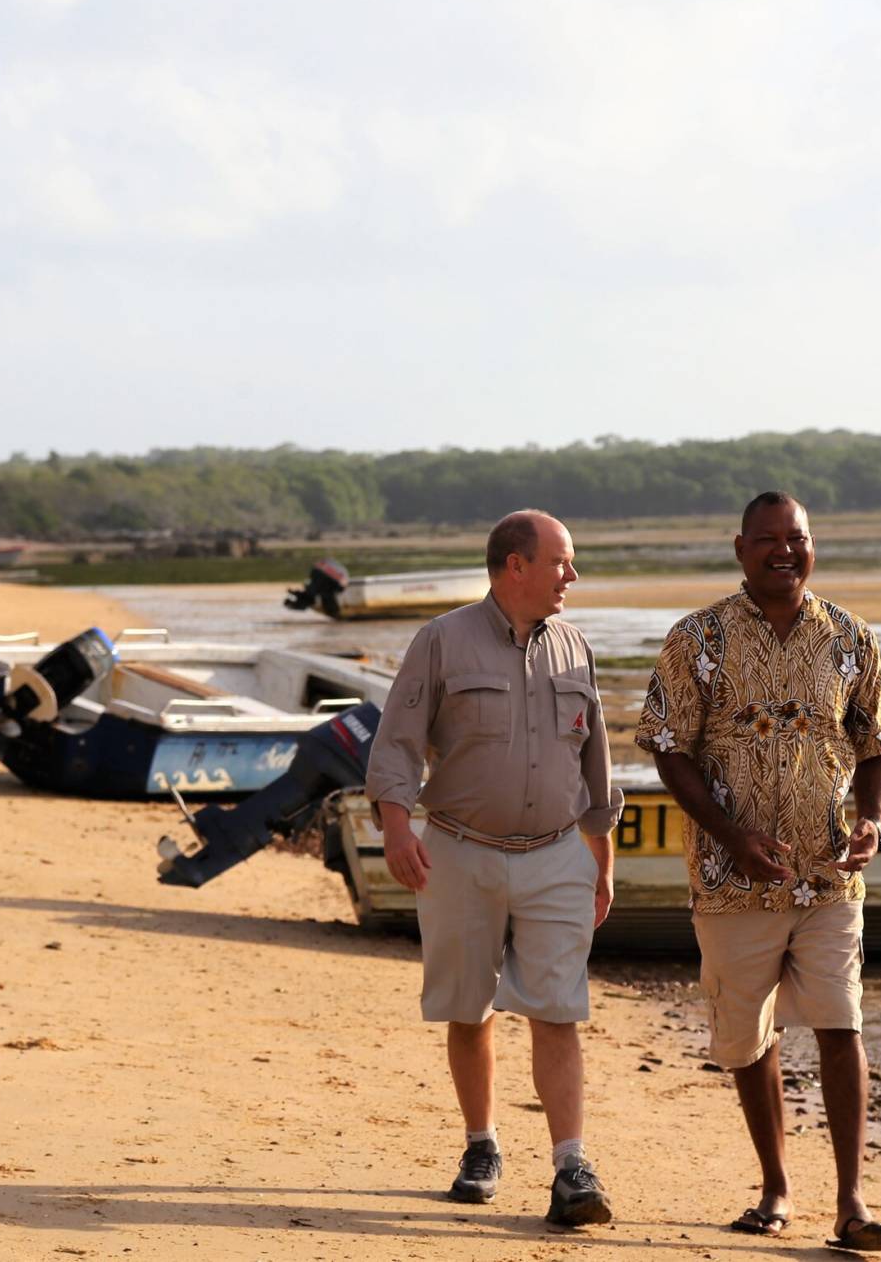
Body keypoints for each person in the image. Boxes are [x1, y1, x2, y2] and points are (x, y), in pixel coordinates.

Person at [634, 491, 881, 1251]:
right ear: (740, 547)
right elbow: (668, 747)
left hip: (829, 876)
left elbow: (875, 743)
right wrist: (729, 833)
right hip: (730, 880)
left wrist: (873, 820)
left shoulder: (850, 637)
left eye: (798, 538)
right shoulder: (698, 638)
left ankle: (851, 1202)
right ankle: (776, 1186)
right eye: (769, 540)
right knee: (748, 1038)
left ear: (813, 545)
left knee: (841, 1021)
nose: (785, 551)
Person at [365, 509, 623, 1228]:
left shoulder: (576, 647)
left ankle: (572, 1164)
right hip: (458, 852)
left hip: (556, 854)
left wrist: (603, 858)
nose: (572, 575)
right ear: (516, 565)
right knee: (467, 1004)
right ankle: (482, 1145)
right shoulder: (441, 641)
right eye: (561, 561)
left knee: (558, 1006)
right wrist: (393, 824)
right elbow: (397, 743)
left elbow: (595, 764)